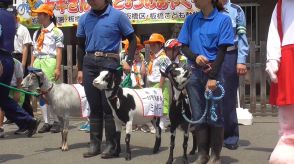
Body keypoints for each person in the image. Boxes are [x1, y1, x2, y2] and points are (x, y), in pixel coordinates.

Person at [76, 0, 137, 158]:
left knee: (108, 106)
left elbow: (133, 39)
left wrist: (128, 61)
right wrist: (80, 69)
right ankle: (95, 144)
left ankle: (111, 145)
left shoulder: (118, 16)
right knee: (94, 105)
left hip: (109, 63)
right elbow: (80, 45)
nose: (91, 1)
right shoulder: (83, 18)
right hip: (89, 63)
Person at [178, 0, 234, 163]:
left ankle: (216, 156)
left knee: (215, 116)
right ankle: (202, 155)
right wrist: (195, 56)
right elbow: (184, 46)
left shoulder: (223, 20)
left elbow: (222, 51)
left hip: (214, 72)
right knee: (198, 116)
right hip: (194, 73)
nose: (194, 0)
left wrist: (213, 77)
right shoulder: (190, 20)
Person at [0, 0, 40, 138]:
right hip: (8, 59)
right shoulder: (10, 17)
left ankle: (28, 121)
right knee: (3, 98)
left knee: (3, 98)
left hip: (1, 57)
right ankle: (28, 121)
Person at [265, 0, 294, 163]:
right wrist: (273, 58)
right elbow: (274, 32)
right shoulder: (281, 5)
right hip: (289, 59)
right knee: (289, 108)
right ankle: (289, 142)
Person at [220, 0, 249, 150]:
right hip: (210, 56)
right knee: (209, 97)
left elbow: (242, 36)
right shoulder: (208, 8)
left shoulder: (236, 11)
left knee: (228, 98)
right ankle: (212, 137)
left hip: (230, 55)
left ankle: (230, 137)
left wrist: (241, 60)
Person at [31, 4, 64, 134]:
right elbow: (34, 51)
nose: (38, 17)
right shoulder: (37, 32)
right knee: (40, 93)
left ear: (47, 15)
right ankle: (47, 122)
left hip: (50, 61)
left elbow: (59, 51)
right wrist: (31, 67)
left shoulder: (56, 31)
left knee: (51, 92)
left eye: (40, 14)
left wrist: (57, 68)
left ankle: (56, 121)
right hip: (38, 61)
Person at [8, 6, 34, 119]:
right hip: (8, 57)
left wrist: (23, 64)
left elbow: (25, 47)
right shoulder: (5, 27)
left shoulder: (23, 29)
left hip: (18, 57)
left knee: (22, 88)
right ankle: (12, 115)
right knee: (9, 87)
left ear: (16, 16)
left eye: (12, 15)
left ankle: (28, 115)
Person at [144, 33, 172, 133]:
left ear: (160, 45)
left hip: (161, 84)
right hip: (152, 84)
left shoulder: (163, 58)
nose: (151, 46)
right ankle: (157, 124)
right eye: (150, 44)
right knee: (154, 105)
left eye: (154, 44)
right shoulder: (153, 57)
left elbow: (163, 73)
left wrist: (160, 87)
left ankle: (162, 124)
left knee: (162, 104)